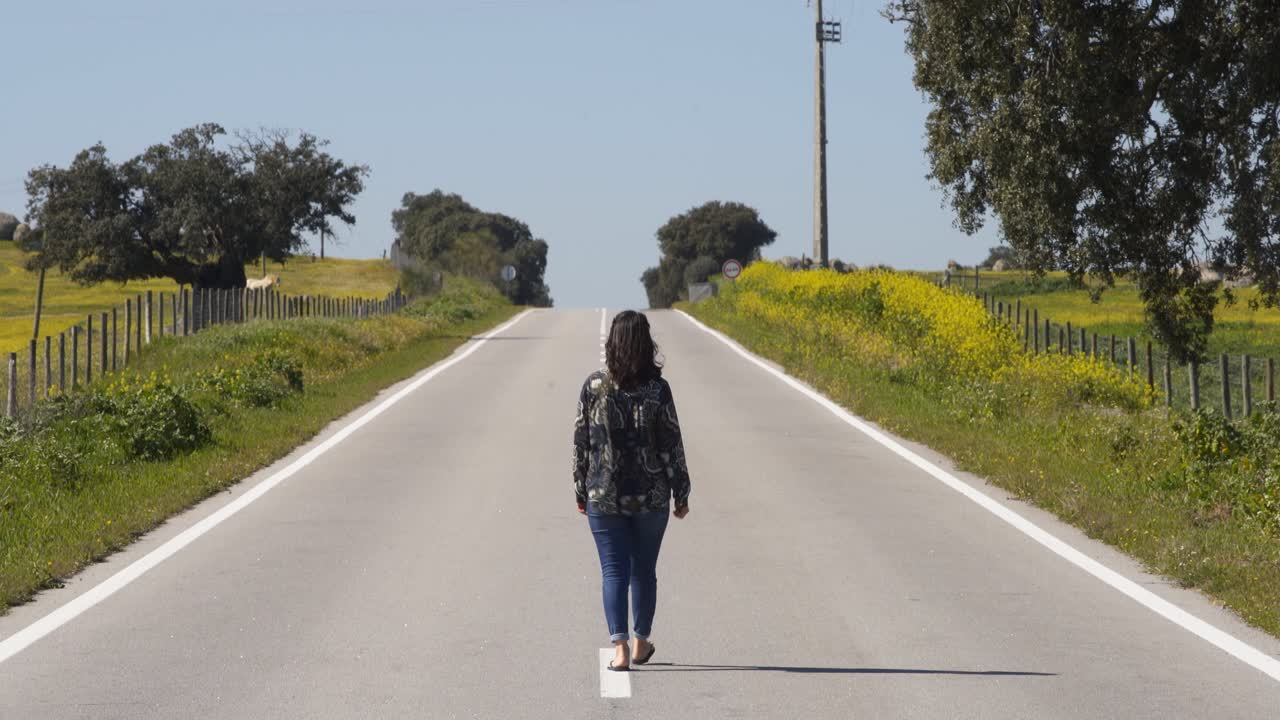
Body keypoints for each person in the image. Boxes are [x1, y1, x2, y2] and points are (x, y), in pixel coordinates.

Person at [573, 310, 691, 671]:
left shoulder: (594, 387)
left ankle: (619, 650)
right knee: (643, 570)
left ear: (613, 343)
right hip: (651, 496)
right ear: (646, 344)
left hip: (603, 494)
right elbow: (672, 442)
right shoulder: (659, 389)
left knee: (613, 572)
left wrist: (580, 489)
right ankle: (641, 643)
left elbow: (581, 441)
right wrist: (681, 492)